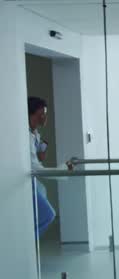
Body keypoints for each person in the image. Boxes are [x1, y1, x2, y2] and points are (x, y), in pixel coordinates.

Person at [28, 96, 73, 237]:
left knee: (40, 207)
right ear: (34, 113)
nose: (45, 115)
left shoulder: (35, 134)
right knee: (49, 215)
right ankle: (27, 245)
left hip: (35, 183)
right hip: (27, 182)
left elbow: (38, 159)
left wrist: (42, 153)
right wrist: (62, 169)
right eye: (43, 112)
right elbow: (35, 168)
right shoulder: (26, 135)